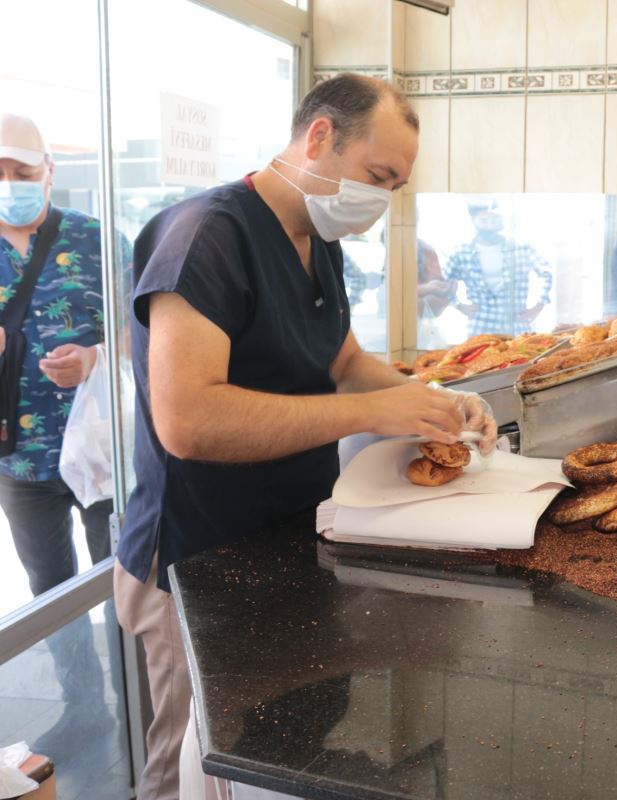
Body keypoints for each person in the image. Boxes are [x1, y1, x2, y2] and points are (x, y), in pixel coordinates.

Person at [114, 74, 497, 800]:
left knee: (284, 743)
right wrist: (368, 416)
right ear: (319, 137)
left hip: (281, 543)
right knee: (201, 760)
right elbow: (189, 420)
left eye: (395, 188)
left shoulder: (315, 243)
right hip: (195, 562)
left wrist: (435, 402)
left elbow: (343, 362)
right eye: (377, 177)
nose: (378, 203)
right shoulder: (207, 236)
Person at [0, 112, 116, 744]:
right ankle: (86, 709)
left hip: (100, 451)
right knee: (51, 591)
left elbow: (148, 332)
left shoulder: (96, 238)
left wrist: (95, 358)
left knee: (122, 579)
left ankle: (141, 698)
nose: (8, 183)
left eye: (21, 171)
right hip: (18, 461)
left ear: (50, 172)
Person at [444, 199, 553, 337]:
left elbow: (547, 273)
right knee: (478, 359)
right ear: (473, 220)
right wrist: (459, 305)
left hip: (516, 324)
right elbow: (443, 282)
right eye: (484, 220)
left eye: (494, 219)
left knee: (522, 358)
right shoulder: (461, 251)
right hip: (480, 325)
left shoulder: (521, 248)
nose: (489, 224)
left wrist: (538, 307)